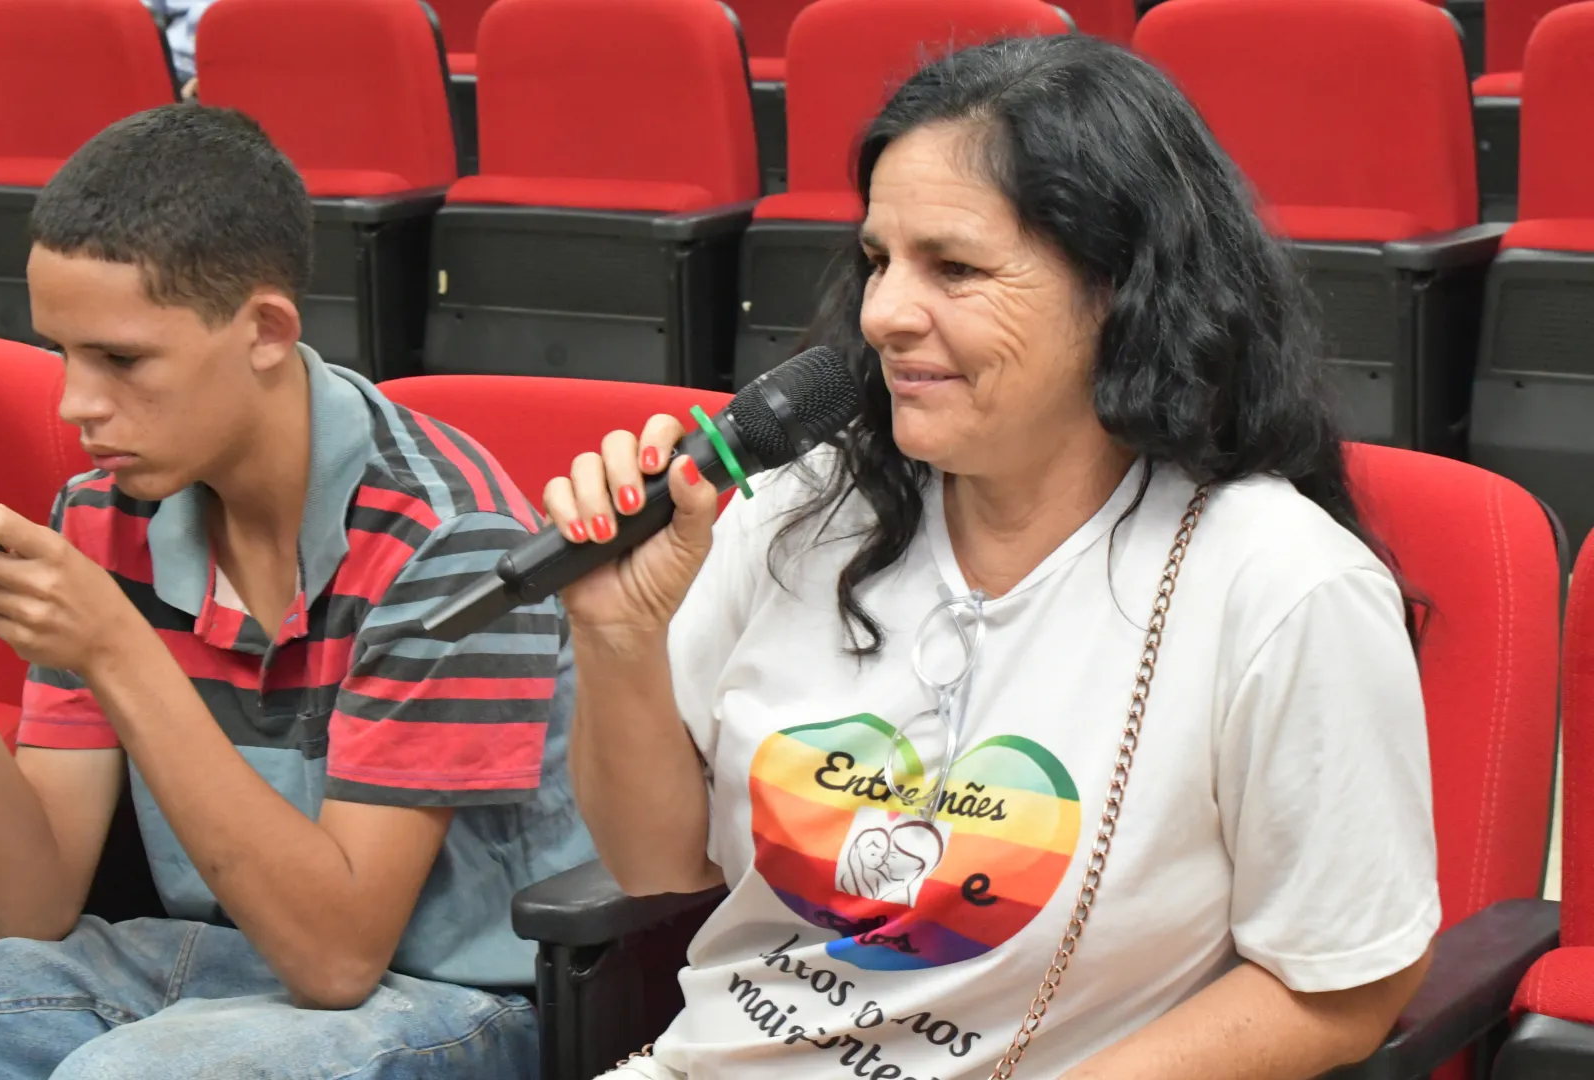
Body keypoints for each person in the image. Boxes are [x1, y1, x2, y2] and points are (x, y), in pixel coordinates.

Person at [551, 35, 1438, 1080]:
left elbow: (1344, 989)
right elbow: (656, 865)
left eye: (956, 268)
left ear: (1122, 291)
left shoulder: (1279, 583)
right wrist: (620, 639)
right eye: (879, 260)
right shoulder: (796, 507)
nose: (883, 314)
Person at [0, 103, 592, 1079]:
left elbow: (335, 960)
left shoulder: (449, 540)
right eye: (62, 352)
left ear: (265, 331)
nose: (75, 404)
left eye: (121, 359)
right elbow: (26, 906)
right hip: (200, 959)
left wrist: (115, 646)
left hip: (453, 999)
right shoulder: (106, 509)